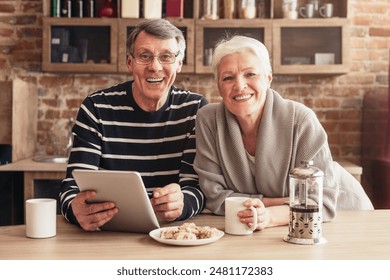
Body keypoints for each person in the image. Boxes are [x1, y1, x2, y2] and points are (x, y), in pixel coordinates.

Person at [194, 35, 373, 231]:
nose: (239, 85)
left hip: (343, 218)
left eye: (250, 74)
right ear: (219, 85)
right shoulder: (208, 120)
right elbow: (215, 197)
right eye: (228, 77)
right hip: (266, 223)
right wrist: (278, 204)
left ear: (268, 78)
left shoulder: (301, 119)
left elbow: (320, 201)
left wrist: (268, 214)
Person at [59, 19, 208, 231]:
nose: (155, 67)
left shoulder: (195, 109)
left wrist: (183, 203)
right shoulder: (96, 108)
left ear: (179, 64)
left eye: (166, 56)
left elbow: (198, 187)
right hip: (107, 234)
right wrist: (76, 210)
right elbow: (71, 187)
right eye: (144, 56)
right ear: (130, 62)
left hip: (171, 233)